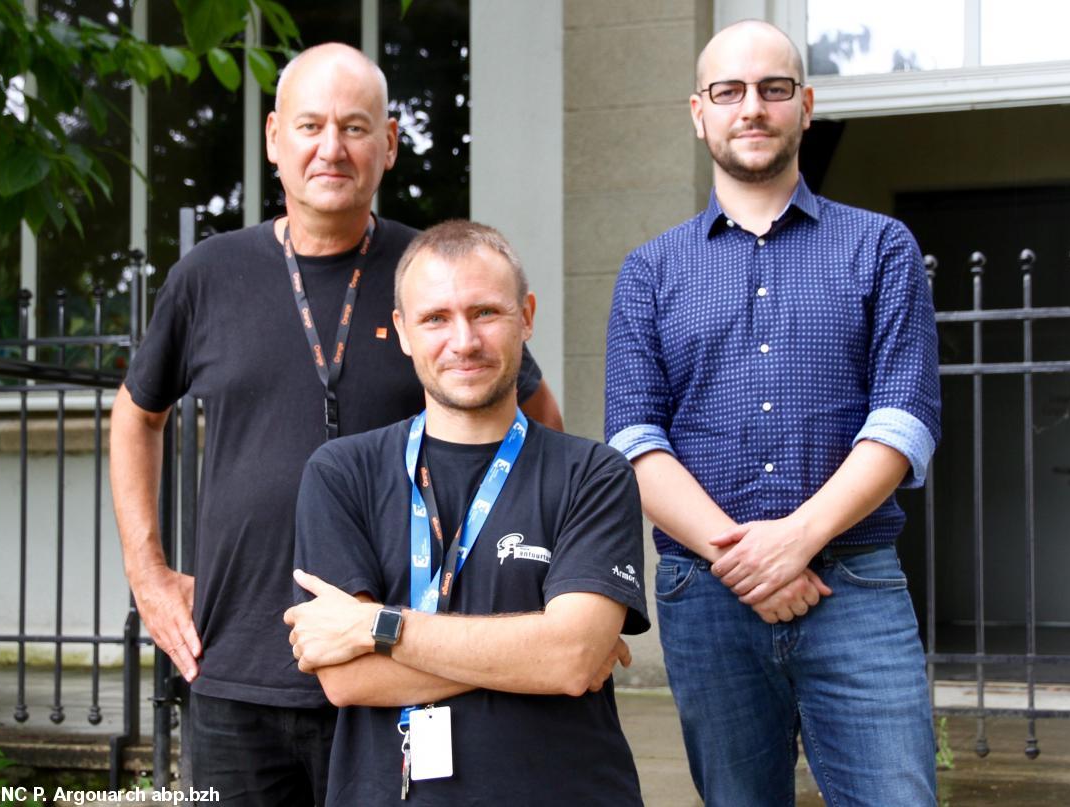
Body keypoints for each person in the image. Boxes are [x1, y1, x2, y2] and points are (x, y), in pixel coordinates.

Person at [109, 44, 562, 806]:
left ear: (389, 143)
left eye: (354, 128)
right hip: (234, 671)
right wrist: (147, 572)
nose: (332, 148)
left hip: (395, 665)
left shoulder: (432, 274)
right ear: (273, 138)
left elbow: (535, 420)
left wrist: (514, 594)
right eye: (311, 125)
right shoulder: (209, 275)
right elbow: (135, 414)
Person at [604, 20, 941, 806]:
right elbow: (634, 440)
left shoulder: (882, 247)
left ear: (806, 106)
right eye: (728, 91)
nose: (751, 107)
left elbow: (903, 421)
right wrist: (748, 562)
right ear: (700, 112)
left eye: (773, 89)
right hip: (705, 596)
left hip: (852, 583)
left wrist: (796, 541)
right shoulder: (649, 271)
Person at [284, 220, 647, 806]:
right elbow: (347, 678)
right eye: (435, 318)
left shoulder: (594, 473)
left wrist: (377, 627)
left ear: (526, 316)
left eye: (485, 313)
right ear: (403, 331)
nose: (464, 341)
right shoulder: (341, 473)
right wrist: (538, 654)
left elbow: (572, 660)